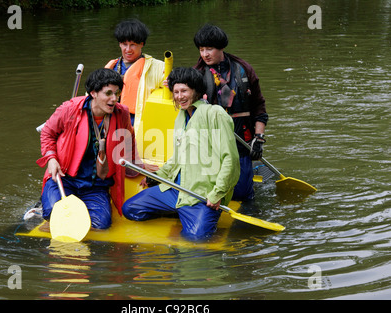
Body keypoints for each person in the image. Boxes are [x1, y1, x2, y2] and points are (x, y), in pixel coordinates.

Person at [122, 67, 240, 241]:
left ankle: (190, 213)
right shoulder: (181, 116)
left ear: (196, 91)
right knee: (130, 209)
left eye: (184, 90)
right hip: (176, 190)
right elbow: (178, 158)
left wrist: (217, 194)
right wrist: (156, 177)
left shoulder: (214, 113)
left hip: (201, 196)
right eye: (175, 92)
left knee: (196, 238)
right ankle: (178, 210)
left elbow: (230, 159)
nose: (179, 96)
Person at [36, 68, 146, 230]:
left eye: (117, 93)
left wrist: (139, 168)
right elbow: (47, 133)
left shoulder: (121, 113)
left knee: (101, 226)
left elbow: (129, 140)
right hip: (64, 178)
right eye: (108, 93)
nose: (114, 99)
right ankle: (41, 207)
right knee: (54, 213)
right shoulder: (69, 109)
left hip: (96, 184)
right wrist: (51, 159)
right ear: (93, 93)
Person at [193, 24, 268, 202]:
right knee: (211, 187)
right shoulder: (196, 74)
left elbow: (259, 106)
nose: (205, 54)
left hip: (241, 138)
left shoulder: (244, 70)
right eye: (201, 49)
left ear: (221, 47)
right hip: (211, 140)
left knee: (242, 193)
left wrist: (259, 138)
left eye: (209, 49)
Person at [105, 18, 165, 133]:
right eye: (124, 44)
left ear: (141, 44)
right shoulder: (111, 66)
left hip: (138, 125)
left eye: (133, 45)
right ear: (119, 44)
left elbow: (177, 89)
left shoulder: (158, 67)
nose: (128, 49)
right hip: (111, 121)